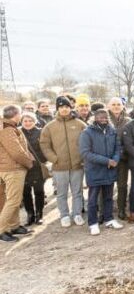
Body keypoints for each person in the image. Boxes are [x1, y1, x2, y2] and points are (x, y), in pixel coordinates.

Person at [40, 96, 87, 227]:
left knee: (77, 191)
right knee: (62, 193)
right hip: (59, 166)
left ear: (70, 108)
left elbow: (87, 142)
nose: (64, 109)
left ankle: (77, 214)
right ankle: (64, 215)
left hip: (77, 165)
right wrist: (54, 159)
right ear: (57, 109)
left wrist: (82, 158)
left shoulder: (80, 124)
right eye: (61, 107)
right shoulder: (50, 127)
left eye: (66, 107)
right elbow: (44, 145)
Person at [79, 109, 124, 235]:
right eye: (100, 117)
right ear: (95, 118)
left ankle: (109, 219)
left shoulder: (112, 130)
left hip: (110, 170)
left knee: (108, 197)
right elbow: (85, 153)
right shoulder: (87, 132)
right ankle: (93, 223)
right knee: (93, 199)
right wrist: (107, 161)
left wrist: (115, 159)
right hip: (94, 171)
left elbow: (118, 148)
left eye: (105, 117)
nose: (103, 119)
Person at [0, 105, 35, 242]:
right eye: (20, 114)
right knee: (14, 200)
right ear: (16, 114)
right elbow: (16, 152)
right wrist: (29, 162)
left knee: (12, 199)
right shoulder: (8, 130)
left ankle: (14, 226)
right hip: (12, 169)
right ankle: (2, 229)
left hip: (8, 168)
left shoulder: (6, 127)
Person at [20, 112, 47, 226]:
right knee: (25, 192)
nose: (28, 123)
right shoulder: (18, 132)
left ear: (35, 121)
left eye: (30, 120)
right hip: (23, 167)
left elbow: (46, 148)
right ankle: (30, 215)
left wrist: (42, 160)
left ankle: (39, 215)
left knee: (39, 191)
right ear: (21, 122)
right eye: (25, 121)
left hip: (37, 166)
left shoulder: (41, 132)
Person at [108, 97, 131, 220]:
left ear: (123, 106)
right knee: (107, 185)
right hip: (107, 159)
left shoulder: (128, 120)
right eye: (113, 104)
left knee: (122, 185)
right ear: (109, 106)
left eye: (118, 104)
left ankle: (122, 209)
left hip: (123, 159)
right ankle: (106, 211)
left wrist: (121, 153)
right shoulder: (104, 119)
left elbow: (131, 140)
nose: (116, 106)